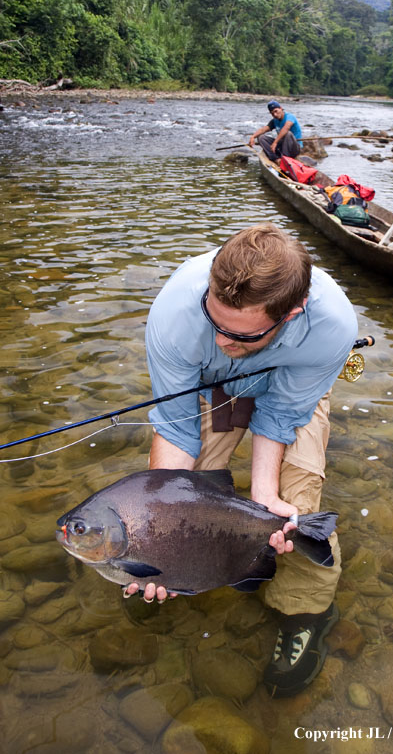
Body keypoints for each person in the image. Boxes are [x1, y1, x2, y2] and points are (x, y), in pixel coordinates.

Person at [125, 223, 357, 698]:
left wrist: (264, 495)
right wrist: (154, 539)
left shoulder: (332, 327)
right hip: (212, 387)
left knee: (295, 504)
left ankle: (305, 611)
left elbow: (281, 415)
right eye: (215, 323)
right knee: (186, 500)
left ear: (291, 314)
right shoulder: (176, 313)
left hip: (295, 392)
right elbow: (175, 426)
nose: (221, 339)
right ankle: (181, 571)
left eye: (239, 334)